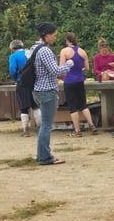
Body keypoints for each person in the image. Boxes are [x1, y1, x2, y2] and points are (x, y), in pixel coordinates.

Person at [30, 22, 74, 165]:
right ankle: (45, 157)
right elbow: (55, 71)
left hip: (37, 90)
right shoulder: (45, 51)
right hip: (47, 90)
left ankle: (41, 153)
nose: (55, 37)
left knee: (44, 125)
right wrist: (69, 64)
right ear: (46, 35)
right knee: (47, 126)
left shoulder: (34, 48)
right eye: (54, 35)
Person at [59, 32, 98, 137]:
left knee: (73, 106)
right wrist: (80, 72)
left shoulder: (64, 51)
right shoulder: (82, 51)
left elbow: (61, 68)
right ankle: (92, 125)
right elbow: (87, 68)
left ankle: (77, 131)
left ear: (66, 41)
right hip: (80, 80)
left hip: (69, 81)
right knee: (83, 104)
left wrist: (62, 76)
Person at [8, 39, 40, 137]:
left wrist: (16, 78)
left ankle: (26, 130)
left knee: (23, 107)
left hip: (21, 83)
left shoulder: (13, 56)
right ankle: (40, 128)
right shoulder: (29, 52)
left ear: (12, 48)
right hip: (34, 82)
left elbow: (12, 70)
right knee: (35, 106)